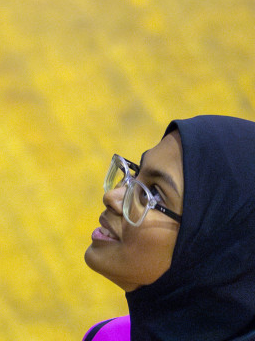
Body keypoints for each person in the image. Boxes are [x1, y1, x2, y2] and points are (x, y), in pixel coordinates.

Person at [82, 115, 255, 341]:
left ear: (224, 253)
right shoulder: (109, 336)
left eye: (153, 194)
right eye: (135, 174)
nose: (112, 197)